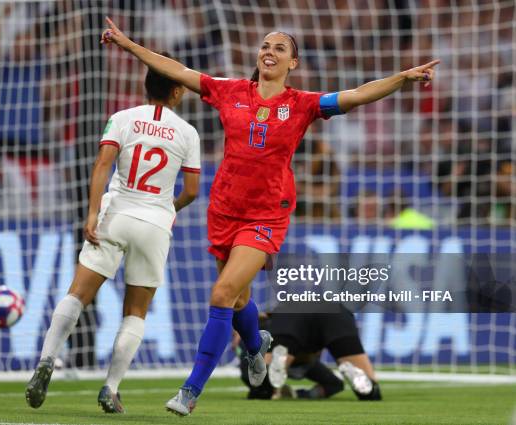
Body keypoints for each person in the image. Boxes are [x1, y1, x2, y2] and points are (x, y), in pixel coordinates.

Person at [101, 17, 438, 416]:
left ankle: (191, 390)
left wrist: (401, 78)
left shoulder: (303, 105)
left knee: (222, 295)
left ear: (293, 63)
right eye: (265, 46)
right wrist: (128, 45)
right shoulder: (230, 92)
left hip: (265, 216)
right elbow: (175, 69)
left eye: (280, 48)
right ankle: (258, 345)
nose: (269, 52)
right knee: (240, 297)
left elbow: (357, 95)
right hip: (224, 209)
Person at [25, 57, 201, 414]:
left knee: (78, 294)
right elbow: (193, 190)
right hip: (154, 223)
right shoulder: (188, 132)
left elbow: (102, 164)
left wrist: (92, 214)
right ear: (178, 90)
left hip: (116, 213)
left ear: (145, 87)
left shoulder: (122, 119)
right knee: (135, 311)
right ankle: (111, 387)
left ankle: (46, 361)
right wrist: (168, 209)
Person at [238, 308, 381, 401]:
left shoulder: (251, 344)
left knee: (262, 389)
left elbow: (250, 378)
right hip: (336, 312)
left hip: (290, 317)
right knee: (373, 395)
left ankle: (280, 363)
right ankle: (361, 380)